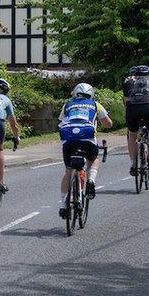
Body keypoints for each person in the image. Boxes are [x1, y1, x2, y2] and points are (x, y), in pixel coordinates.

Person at [58, 83, 114, 217]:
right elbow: (108, 123)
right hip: (87, 138)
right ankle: (91, 180)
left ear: (75, 93)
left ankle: (63, 205)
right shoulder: (96, 105)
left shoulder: (67, 105)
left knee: (68, 170)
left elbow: (60, 121)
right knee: (93, 160)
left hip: (69, 139)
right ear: (91, 94)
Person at [122, 65, 149, 176]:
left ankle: (133, 164)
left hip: (133, 108)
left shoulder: (127, 80)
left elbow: (125, 100)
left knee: (132, 135)